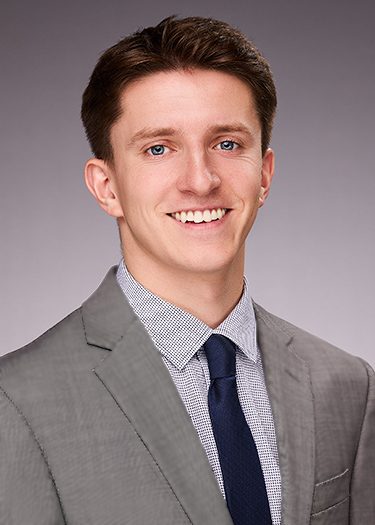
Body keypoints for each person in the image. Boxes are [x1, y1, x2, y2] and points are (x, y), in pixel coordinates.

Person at [0, 15, 373, 525]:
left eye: (227, 143)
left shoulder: (347, 386)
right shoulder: (17, 401)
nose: (200, 181)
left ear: (263, 175)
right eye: (159, 148)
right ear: (107, 187)